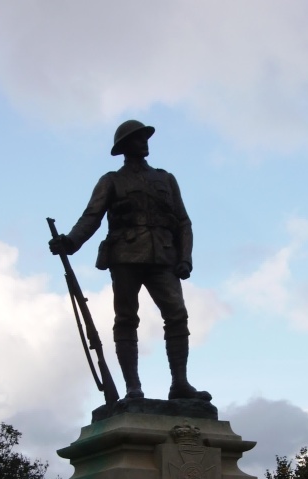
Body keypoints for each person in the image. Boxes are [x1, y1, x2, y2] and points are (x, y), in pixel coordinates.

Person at [49, 119, 211, 402]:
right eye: (138, 138)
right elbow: (92, 217)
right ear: (125, 146)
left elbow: (183, 222)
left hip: (163, 256)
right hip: (125, 254)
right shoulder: (111, 181)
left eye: (145, 137)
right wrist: (71, 241)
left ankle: (180, 384)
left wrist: (185, 258)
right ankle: (133, 387)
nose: (145, 142)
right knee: (126, 319)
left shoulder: (166, 179)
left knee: (177, 315)